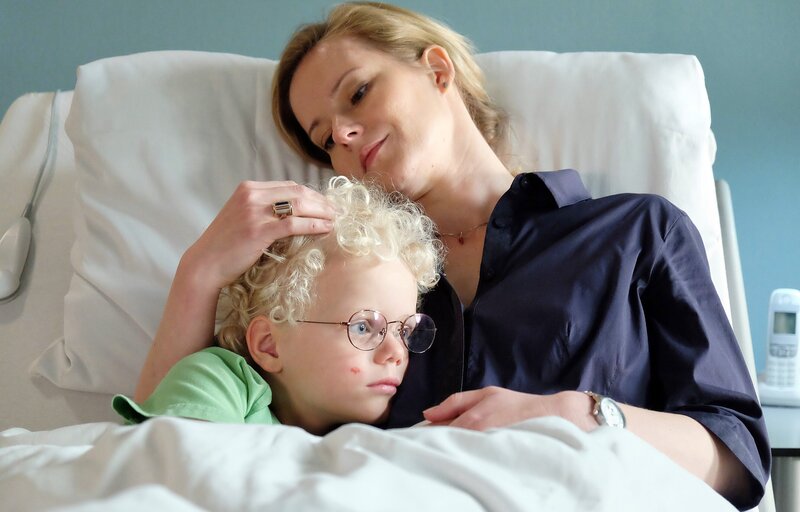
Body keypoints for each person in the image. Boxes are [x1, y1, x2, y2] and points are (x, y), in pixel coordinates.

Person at [135, 2, 769, 509]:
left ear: (437, 70)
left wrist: (578, 414)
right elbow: (159, 448)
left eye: (357, 93)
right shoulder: (334, 280)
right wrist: (201, 270)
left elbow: (738, 460)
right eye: (324, 139)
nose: (344, 136)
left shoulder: (634, 232)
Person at [118, 176, 442, 434]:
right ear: (269, 345)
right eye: (363, 327)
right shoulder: (219, 383)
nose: (397, 354)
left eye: (405, 331)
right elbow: (181, 466)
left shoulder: (363, 437)